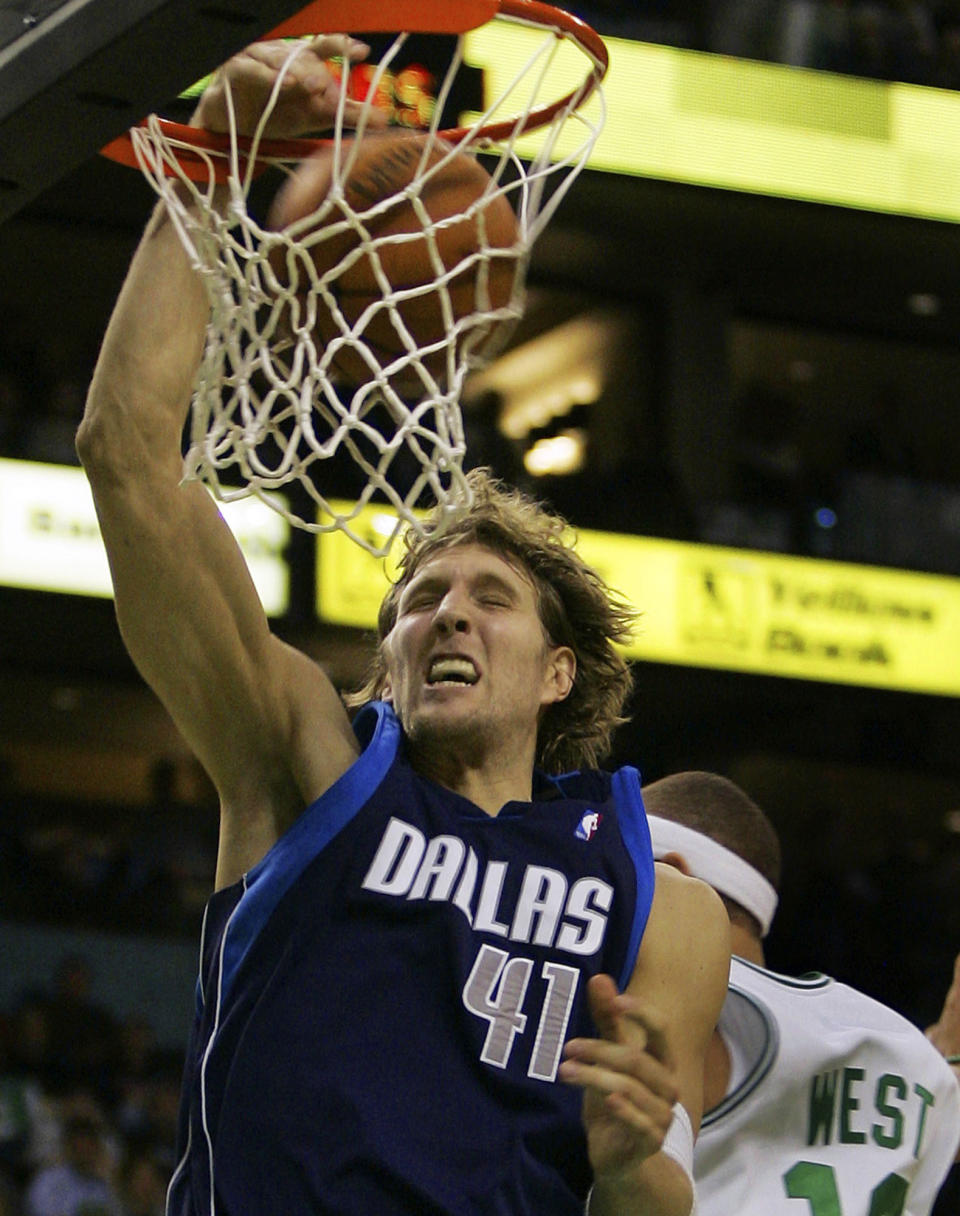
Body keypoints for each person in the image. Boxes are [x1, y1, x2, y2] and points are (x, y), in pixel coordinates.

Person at [76, 35, 730, 1216]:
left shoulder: (657, 899)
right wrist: (216, 150)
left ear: (557, 670)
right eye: (419, 600)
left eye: (488, 599)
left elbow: (649, 1196)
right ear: (384, 658)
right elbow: (124, 455)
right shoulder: (308, 766)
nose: (444, 615)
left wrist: (636, 1167)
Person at [643, 770, 960, 1216]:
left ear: (669, 876)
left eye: (614, 872)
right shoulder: (902, 1053)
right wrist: (946, 1070)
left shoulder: (646, 999)